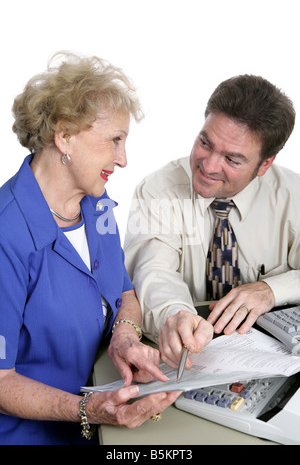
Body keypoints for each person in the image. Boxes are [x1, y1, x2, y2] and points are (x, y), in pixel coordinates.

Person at [0, 52, 180, 445]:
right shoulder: (5, 236)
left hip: (103, 418)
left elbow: (125, 293)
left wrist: (125, 338)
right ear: (64, 136)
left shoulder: (96, 204)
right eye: (115, 140)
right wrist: (88, 410)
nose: (124, 159)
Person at [124, 74, 300, 371]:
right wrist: (175, 314)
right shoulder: (158, 190)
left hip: (273, 359)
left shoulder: (292, 195)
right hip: (184, 358)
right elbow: (152, 269)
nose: (208, 165)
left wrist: (271, 290)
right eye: (205, 142)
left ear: (264, 164)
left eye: (232, 160)